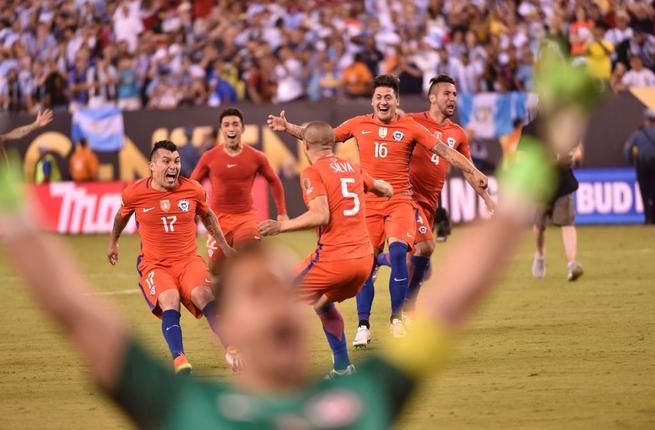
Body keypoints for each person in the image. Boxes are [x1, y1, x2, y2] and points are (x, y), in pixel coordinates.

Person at [0, 131, 556, 430]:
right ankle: (181, 351)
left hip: (200, 258)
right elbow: (72, 308)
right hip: (159, 265)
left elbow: (456, 296)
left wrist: (533, 169)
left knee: (195, 290)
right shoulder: (186, 411)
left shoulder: (360, 399)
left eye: (280, 290)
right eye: (257, 293)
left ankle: (351, 336)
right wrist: (8, 202)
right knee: (171, 297)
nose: (277, 305)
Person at [267, 74, 491, 342]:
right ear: (372, 101)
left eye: (388, 97)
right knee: (368, 262)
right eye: (379, 97)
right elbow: (321, 137)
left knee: (398, 252)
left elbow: (445, 151)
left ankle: (397, 319)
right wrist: (288, 127)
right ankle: (363, 325)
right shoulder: (359, 123)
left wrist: (473, 170)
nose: (383, 102)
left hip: (400, 201)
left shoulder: (410, 126)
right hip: (370, 203)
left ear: (397, 101)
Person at [258, 121, 392, 376]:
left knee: (274, 297)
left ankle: (263, 370)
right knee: (322, 304)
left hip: (334, 261)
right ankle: (342, 368)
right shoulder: (352, 168)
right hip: (363, 264)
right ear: (332, 143)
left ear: (306, 146)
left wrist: (282, 225)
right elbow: (383, 188)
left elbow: (320, 215)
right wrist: (386, 189)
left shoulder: (313, 172)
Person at [375, 74, 494, 330]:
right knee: (425, 247)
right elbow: (389, 122)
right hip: (406, 198)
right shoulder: (412, 121)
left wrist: (487, 199)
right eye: (446, 94)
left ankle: (379, 262)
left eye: (454, 94)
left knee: (421, 264)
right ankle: (406, 312)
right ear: (432, 97)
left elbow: (468, 170)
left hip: (429, 202)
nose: (452, 98)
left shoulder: (458, 133)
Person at [106, 140, 235, 373]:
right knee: (170, 300)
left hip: (188, 261)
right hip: (155, 265)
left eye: (176, 161)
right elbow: (121, 217)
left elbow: (208, 217)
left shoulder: (193, 189)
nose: (173, 166)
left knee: (204, 295)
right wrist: (113, 242)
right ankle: (179, 359)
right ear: (152, 166)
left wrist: (224, 246)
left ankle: (233, 349)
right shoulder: (134, 193)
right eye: (166, 161)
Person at [191, 107, 288, 268]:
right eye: (227, 125)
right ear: (221, 130)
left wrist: (282, 213)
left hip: (246, 218)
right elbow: (192, 185)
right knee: (217, 269)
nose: (231, 128)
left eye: (235, 124)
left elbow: (274, 181)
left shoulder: (257, 157)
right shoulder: (209, 157)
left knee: (250, 259)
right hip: (217, 220)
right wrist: (191, 215)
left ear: (242, 129)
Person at [532, 144, 584, 282]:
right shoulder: (532, 132)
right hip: (541, 184)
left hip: (563, 184)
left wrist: (569, 157)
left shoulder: (565, 132)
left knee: (567, 223)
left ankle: (572, 264)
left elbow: (578, 153)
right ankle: (540, 255)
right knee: (539, 225)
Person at [624, 109, 655, 224]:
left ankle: (648, 218)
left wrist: (631, 161)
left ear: (646, 120)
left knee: (645, 192)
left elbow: (627, 149)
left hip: (642, 165)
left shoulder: (638, 133)